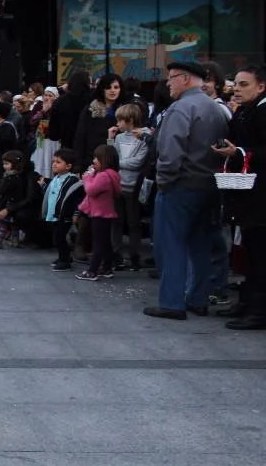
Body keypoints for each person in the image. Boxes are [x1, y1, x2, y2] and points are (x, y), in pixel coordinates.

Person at [144, 62, 229, 320]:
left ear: (184, 79)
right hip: (209, 184)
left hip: (181, 185)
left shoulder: (181, 108)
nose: (168, 83)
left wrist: (164, 181)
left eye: (171, 78)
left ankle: (172, 302)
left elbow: (170, 152)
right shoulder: (214, 108)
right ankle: (198, 299)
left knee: (171, 245)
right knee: (200, 244)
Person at [214, 66, 266, 330]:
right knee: (249, 250)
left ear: (261, 86)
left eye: (244, 84)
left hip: (260, 195)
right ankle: (248, 303)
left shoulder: (261, 111)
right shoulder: (245, 110)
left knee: (259, 253)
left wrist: (240, 152)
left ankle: (258, 311)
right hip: (246, 194)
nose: (237, 89)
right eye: (236, 84)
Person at [109, 103, 151, 271]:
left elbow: (138, 162)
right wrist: (110, 139)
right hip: (118, 184)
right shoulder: (119, 138)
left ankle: (134, 255)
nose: (118, 124)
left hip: (135, 186)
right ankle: (116, 254)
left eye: (121, 120)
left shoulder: (144, 136)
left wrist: (118, 163)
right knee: (116, 221)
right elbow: (110, 156)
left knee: (133, 222)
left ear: (130, 120)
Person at [75, 144, 122, 281]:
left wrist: (87, 177)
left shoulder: (103, 176)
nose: (93, 161)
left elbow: (90, 190)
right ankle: (107, 268)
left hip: (99, 214)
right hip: (105, 213)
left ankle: (92, 271)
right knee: (105, 242)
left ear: (105, 159)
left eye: (97, 158)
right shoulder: (112, 175)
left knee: (98, 243)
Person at [44, 148, 85, 272]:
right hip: (55, 213)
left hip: (65, 214)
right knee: (57, 237)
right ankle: (63, 257)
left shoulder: (72, 180)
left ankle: (65, 260)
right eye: (54, 161)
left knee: (60, 237)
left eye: (58, 162)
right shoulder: (56, 178)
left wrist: (76, 213)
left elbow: (77, 199)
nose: (54, 164)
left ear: (68, 166)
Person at [0, 150, 32, 249]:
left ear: (14, 164)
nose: (4, 166)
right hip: (14, 205)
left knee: (3, 225)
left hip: (7, 205)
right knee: (14, 225)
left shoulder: (9, 178)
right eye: (4, 164)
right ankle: (15, 241)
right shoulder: (19, 176)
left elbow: (0, 192)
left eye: (7, 164)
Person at [75, 73, 123, 171]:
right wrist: (78, 163)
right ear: (102, 89)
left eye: (116, 87)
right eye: (108, 87)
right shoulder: (90, 110)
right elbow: (80, 137)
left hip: (117, 161)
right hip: (92, 160)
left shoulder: (124, 111)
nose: (112, 90)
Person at [30, 86, 60, 180]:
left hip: (53, 140)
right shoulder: (39, 105)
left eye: (50, 96)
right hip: (40, 138)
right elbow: (32, 121)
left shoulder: (58, 107)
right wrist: (43, 111)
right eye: (46, 95)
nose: (47, 98)